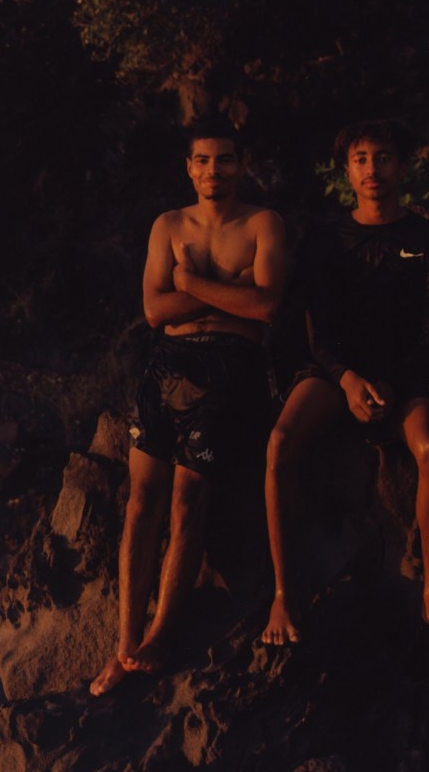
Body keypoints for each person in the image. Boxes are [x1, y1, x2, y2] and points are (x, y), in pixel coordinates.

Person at [93, 128, 288, 696]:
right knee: (139, 505)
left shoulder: (263, 224)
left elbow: (268, 305)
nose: (214, 171)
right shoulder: (168, 225)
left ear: (241, 164)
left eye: (225, 160)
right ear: (189, 168)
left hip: (230, 369)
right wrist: (226, 287)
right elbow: (156, 310)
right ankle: (123, 644)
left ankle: (160, 635)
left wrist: (189, 282)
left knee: (186, 499)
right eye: (203, 161)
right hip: (166, 366)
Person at [263, 123, 429, 652]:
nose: (373, 170)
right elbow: (317, 330)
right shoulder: (326, 240)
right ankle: (284, 595)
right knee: (281, 443)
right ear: (347, 170)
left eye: (383, 158)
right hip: (337, 375)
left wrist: (392, 384)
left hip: (406, 377)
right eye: (361, 159)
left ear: (402, 167)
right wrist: (348, 379)